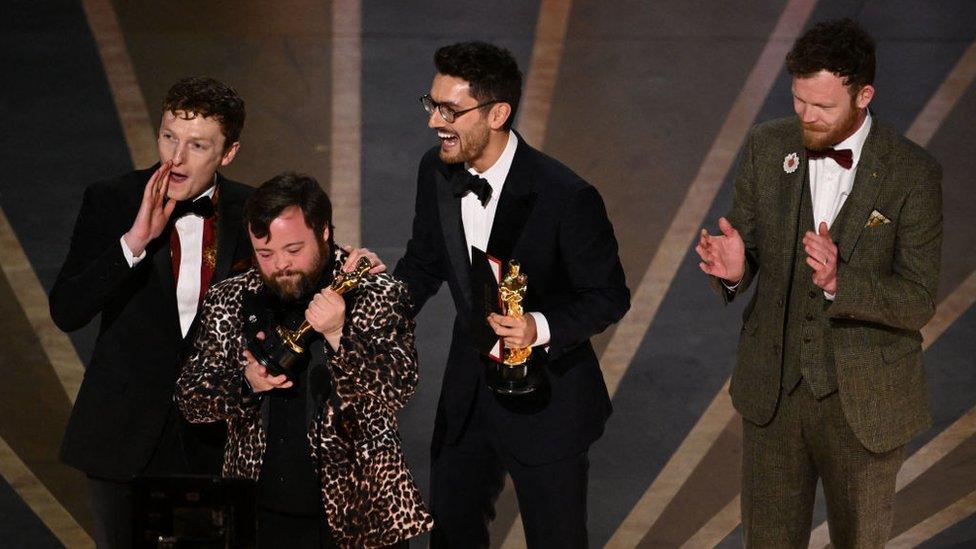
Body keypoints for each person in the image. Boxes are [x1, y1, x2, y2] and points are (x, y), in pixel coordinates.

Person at [695, 18, 942, 547]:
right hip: (774, 396)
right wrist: (737, 269)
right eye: (799, 101)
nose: (806, 116)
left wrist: (839, 282)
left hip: (865, 404)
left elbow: (917, 300)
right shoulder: (768, 145)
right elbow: (749, 241)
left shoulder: (912, 174)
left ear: (863, 95)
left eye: (822, 107)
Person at [393, 41, 630, 548]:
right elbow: (424, 263)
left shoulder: (566, 196)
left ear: (497, 113)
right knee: (452, 534)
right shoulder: (434, 172)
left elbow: (608, 295)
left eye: (450, 110)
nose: (435, 121)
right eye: (432, 105)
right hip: (467, 392)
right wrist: (377, 302)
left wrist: (538, 327)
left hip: (548, 399)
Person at [176, 173, 433, 548]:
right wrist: (246, 383)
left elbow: (399, 387)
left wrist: (338, 335)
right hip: (262, 515)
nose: (280, 264)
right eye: (265, 253)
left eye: (294, 250)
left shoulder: (375, 291)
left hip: (363, 512)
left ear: (324, 233)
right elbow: (191, 399)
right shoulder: (231, 299)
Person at [50, 76, 253, 547]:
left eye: (197, 145)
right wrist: (133, 244)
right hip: (122, 435)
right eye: (168, 137)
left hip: (212, 439)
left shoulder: (252, 210)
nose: (175, 158)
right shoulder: (113, 199)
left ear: (228, 153)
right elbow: (67, 310)